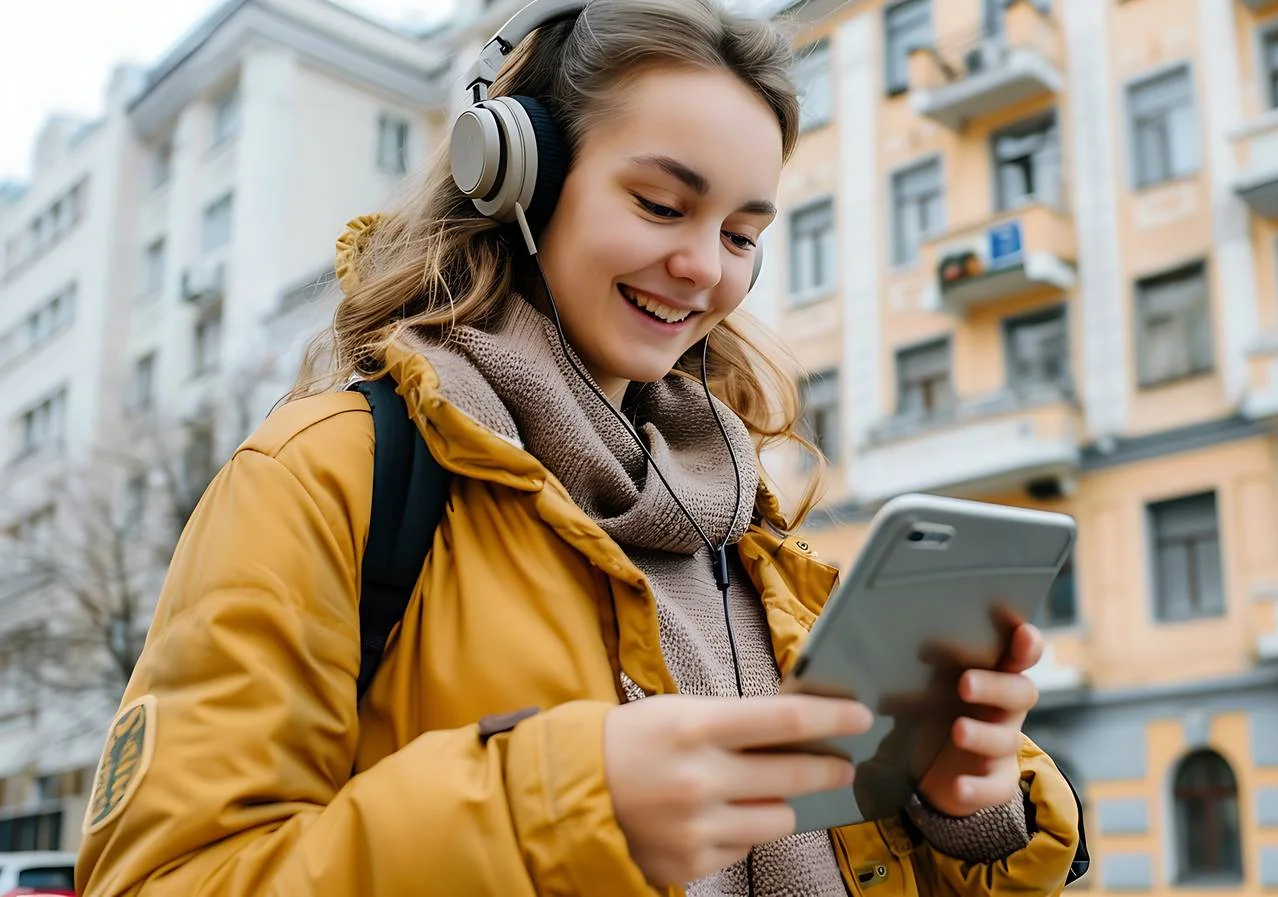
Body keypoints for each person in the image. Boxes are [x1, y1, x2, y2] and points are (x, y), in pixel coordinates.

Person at [73, 0, 1086, 893]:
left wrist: (963, 813)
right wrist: (558, 810)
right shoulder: (328, 473)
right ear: (519, 177)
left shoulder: (746, 530)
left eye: (741, 234)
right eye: (660, 205)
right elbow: (166, 878)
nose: (704, 268)